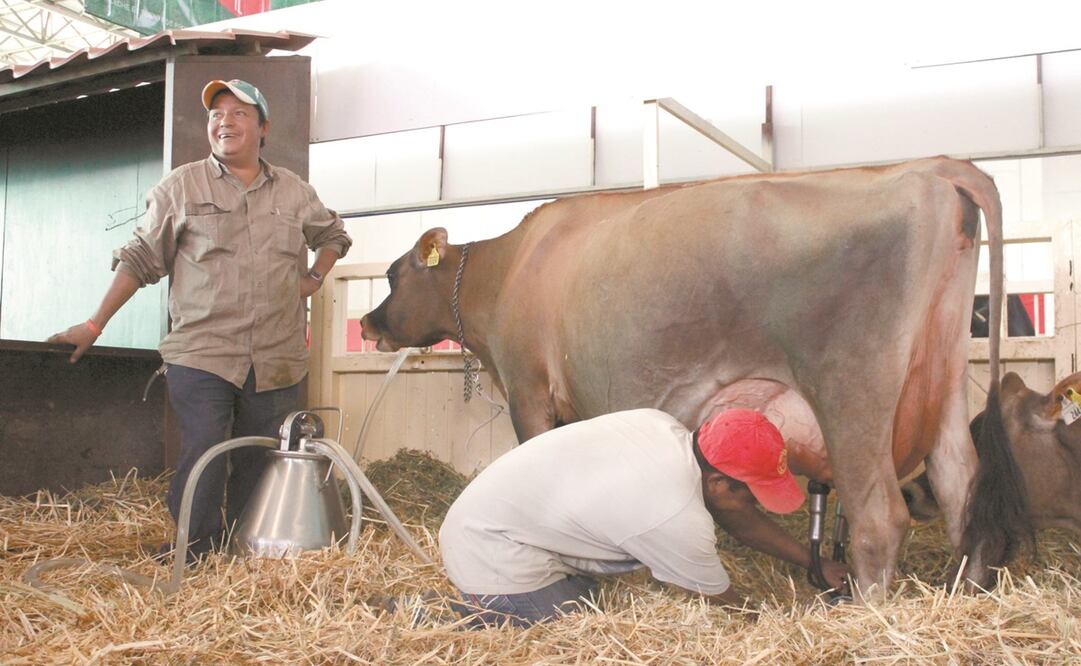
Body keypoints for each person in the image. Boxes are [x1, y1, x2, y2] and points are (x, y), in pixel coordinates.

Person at [47, 79, 352, 562]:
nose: (225, 121)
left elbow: (333, 234)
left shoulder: (294, 192)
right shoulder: (182, 186)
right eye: (216, 114)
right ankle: (194, 549)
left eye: (239, 113)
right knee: (205, 449)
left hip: (276, 357)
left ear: (263, 128)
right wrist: (93, 325)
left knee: (259, 455)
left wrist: (314, 276)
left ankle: (244, 548)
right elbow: (140, 259)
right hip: (203, 353)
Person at [438, 408, 848, 627]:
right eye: (754, 496)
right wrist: (776, 627)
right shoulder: (674, 513)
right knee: (579, 629)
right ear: (720, 484)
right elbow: (728, 604)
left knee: (595, 597)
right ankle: (450, 615)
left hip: (493, 523)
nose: (755, 507)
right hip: (493, 553)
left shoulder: (663, 427)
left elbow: (737, 517)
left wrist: (814, 562)